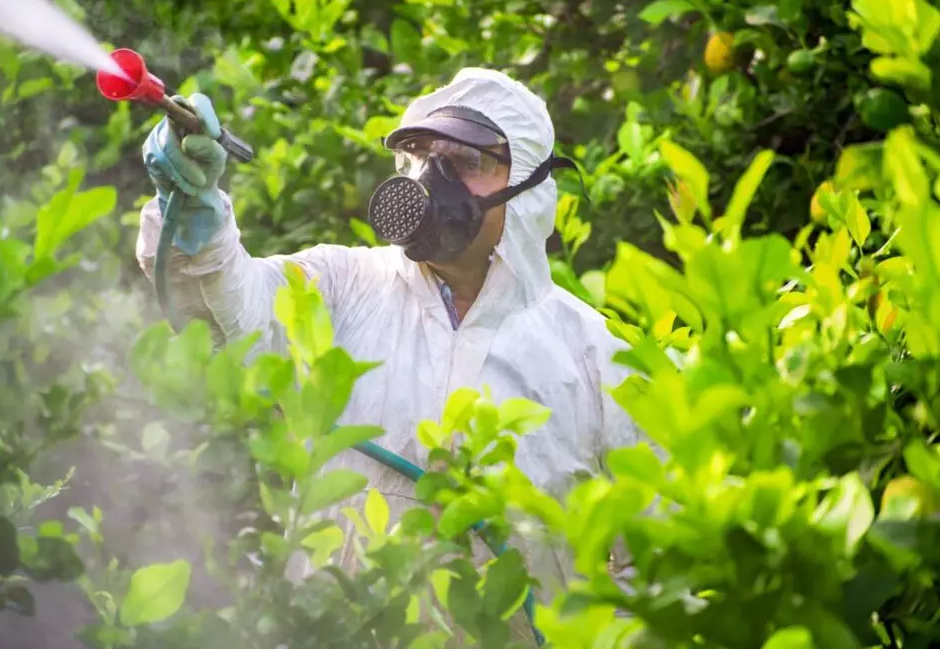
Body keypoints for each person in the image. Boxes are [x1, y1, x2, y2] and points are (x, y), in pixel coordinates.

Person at [136, 67, 643, 641]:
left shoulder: (596, 358)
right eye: (421, 154)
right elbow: (230, 311)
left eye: (468, 162)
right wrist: (195, 210)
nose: (431, 178)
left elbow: (651, 574)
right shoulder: (341, 285)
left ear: (529, 186)